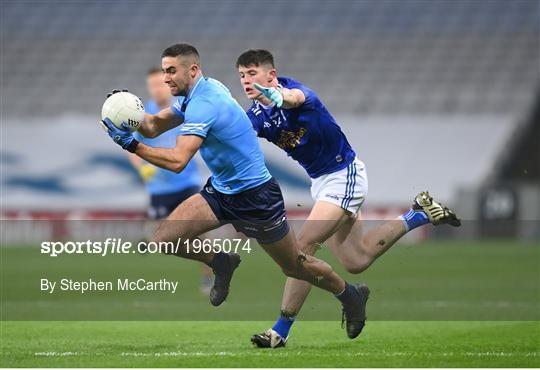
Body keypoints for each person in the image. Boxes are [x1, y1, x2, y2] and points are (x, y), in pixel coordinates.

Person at [100, 43, 369, 340]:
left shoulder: (206, 104)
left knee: (295, 266)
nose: (166, 78)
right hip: (222, 191)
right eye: (164, 71)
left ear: (192, 70)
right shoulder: (194, 95)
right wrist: (126, 118)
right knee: (165, 239)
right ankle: (221, 261)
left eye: (172, 71)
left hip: (256, 197)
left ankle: (349, 295)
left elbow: (177, 161)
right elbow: (151, 126)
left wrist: (130, 145)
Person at [236, 49, 461, 348]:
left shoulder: (296, 92)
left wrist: (280, 97)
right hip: (321, 184)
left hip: (345, 175)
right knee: (356, 260)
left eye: (252, 74)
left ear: (271, 75)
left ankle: (280, 331)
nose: (246, 81)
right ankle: (418, 215)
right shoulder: (256, 116)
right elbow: (233, 135)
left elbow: (295, 99)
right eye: (241, 76)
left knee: (301, 247)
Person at [127, 67, 212, 295]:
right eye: (152, 85)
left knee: (199, 233)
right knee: (159, 238)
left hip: (186, 182)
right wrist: (141, 168)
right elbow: (131, 148)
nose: (156, 89)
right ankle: (148, 233)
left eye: (160, 84)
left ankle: (209, 275)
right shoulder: (143, 113)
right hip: (159, 187)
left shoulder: (182, 107)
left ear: (167, 84)